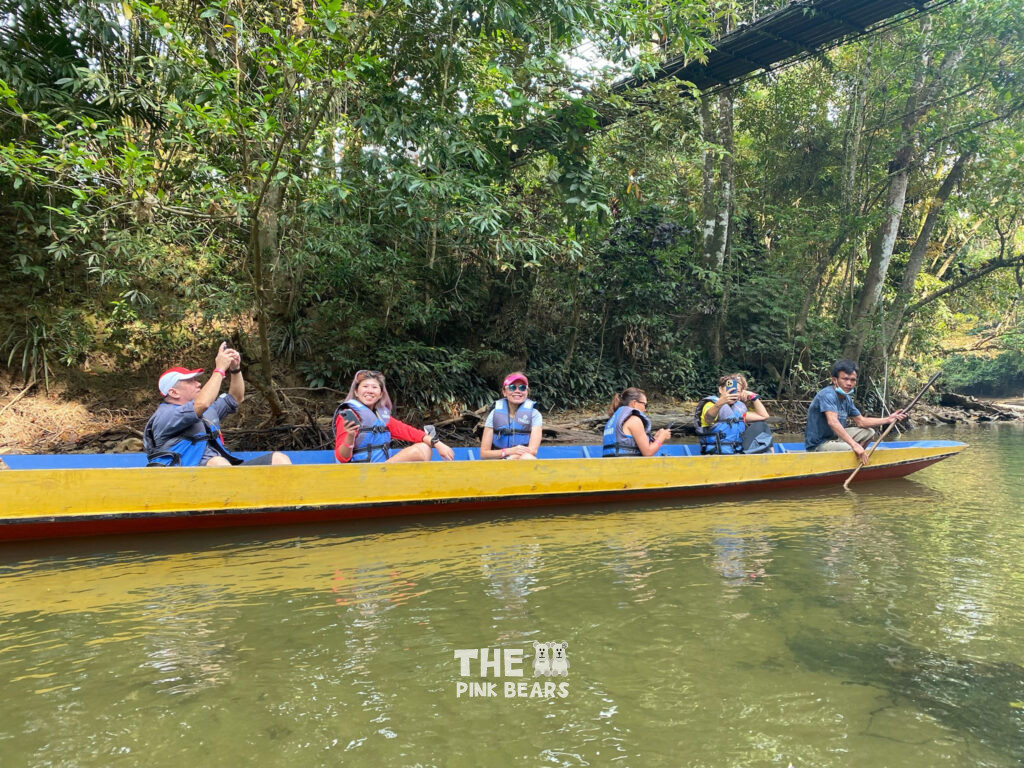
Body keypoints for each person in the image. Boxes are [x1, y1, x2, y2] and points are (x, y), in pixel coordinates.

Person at [143, 342, 291, 467]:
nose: (198, 383)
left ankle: (295, 502)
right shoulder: (165, 416)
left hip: (221, 471)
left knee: (278, 460)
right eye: (190, 381)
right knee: (218, 463)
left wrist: (235, 369)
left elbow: (236, 397)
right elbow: (202, 403)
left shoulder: (206, 413)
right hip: (184, 480)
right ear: (173, 392)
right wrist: (220, 369)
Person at [333, 369, 455, 463]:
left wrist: (438, 444)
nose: (370, 390)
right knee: (420, 450)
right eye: (365, 386)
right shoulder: (348, 416)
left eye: (374, 387)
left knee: (424, 448)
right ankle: (382, 474)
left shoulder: (381, 417)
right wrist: (350, 435)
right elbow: (342, 458)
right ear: (356, 392)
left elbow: (412, 433)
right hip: (359, 473)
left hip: (383, 470)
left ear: (380, 394)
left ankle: (384, 473)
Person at [805, 359, 907, 464]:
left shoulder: (846, 398)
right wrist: (854, 445)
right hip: (819, 445)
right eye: (845, 379)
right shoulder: (828, 395)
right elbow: (833, 422)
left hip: (835, 438)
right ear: (835, 380)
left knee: (869, 432)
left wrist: (888, 419)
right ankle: (854, 457)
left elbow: (861, 421)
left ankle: (857, 458)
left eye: (853, 380)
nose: (849, 383)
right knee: (851, 449)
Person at [695, 373, 772, 454]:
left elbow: (764, 416)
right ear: (720, 389)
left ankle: (772, 457)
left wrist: (753, 397)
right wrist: (720, 403)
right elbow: (708, 419)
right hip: (716, 453)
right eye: (729, 390)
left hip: (737, 452)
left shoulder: (738, 409)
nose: (732, 394)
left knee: (762, 426)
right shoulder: (711, 405)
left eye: (736, 391)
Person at [479, 372, 543, 460]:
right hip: (498, 462)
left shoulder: (534, 414)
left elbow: (532, 450)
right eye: (512, 387)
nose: (517, 391)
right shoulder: (494, 414)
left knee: (527, 457)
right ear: (504, 392)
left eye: (522, 387)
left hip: (520, 458)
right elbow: (484, 453)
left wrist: (512, 457)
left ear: (527, 392)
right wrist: (509, 451)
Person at [602, 387, 671, 457]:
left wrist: (656, 438)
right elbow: (648, 453)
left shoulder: (612, 421)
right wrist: (662, 437)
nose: (645, 409)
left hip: (612, 465)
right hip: (627, 466)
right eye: (645, 405)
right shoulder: (634, 420)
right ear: (634, 403)